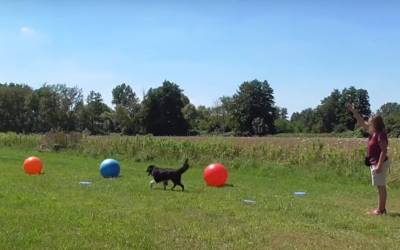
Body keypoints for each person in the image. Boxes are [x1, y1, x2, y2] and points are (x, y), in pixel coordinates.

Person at [348, 104, 390, 216]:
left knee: (381, 187)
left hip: (379, 163)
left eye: (370, 120)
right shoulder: (374, 132)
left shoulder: (380, 134)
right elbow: (362, 123)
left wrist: (379, 165)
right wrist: (354, 111)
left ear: (375, 123)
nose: (368, 121)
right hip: (375, 163)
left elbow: (384, 151)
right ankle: (381, 209)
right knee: (380, 186)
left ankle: (381, 211)